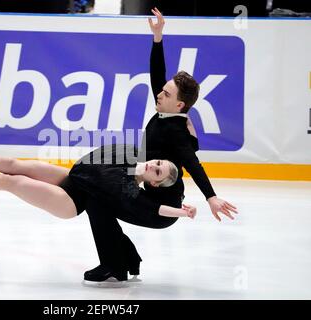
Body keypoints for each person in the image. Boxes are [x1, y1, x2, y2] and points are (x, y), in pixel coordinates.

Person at [81, 7, 238, 284]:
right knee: (98, 200)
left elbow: (193, 163)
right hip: (148, 195)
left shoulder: (176, 131)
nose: (158, 93)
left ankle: (116, 265)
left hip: (160, 209)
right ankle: (124, 260)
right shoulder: (167, 110)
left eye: (165, 93)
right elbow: (157, 74)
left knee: (97, 201)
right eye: (162, 90)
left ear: (179, 104)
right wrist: (158, 38)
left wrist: (211, 197)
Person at [0, 127, 197, 263]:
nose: (154, 166)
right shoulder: (129, 155)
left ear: (155, 184)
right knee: (13, 164)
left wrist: (182, 211)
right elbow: (87, 163)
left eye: (157, 172)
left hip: (70, 203)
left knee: (11, 181)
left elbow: (155, 211)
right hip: (72, 180)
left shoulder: (131, 191)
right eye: (158, 163)